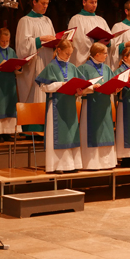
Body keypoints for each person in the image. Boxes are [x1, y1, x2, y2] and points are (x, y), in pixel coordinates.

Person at [35, 40, 83, 173]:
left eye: (70, 54)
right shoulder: (51, 66)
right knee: (58, 134)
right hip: (56, 104)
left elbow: (80, 84)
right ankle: (57, 166)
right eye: (67, 53)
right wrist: (59, 85)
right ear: (59, 50)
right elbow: (43, 87)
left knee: (70, 133)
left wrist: (79, 91)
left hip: (70, 105)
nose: (68, 56)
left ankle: (71, 165)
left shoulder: (72, 67)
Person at [76, 43, 118, 170]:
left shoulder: (106, 69)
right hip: (91, 104)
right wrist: (92, 87)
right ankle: (92, 163)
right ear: (97, 54)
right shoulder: (83, 68)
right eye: (105, 53)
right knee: (92, 132)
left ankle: (107, 163)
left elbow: (112, 85)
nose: (106, 55)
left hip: (105, 104)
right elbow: (79, 89)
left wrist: (117, 88)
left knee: (106, 132)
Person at [15, 0, 56, 107]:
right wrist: (40, 40)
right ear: (34, 2)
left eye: (47, 4)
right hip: (34, 65)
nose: (45, 6)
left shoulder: (48, 20)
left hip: (47, 62)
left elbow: (52, 39)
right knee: (36, 100)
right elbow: (22, 46)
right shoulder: (25, 21)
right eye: (43, 3)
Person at [67, 0, 112, 66]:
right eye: (91, 2)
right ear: (84, 2)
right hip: (85, 63)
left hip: (100, 60)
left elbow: (110, 37)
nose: (94, 5)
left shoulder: (101, 20)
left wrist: (108, 42)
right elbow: (79, 41)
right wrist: (97, 44)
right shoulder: (76, 19)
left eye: (96, 2)